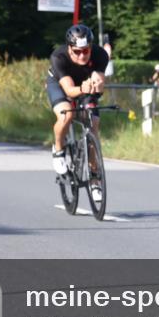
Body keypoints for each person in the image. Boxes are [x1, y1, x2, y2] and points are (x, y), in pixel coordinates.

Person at [47, 24, 109, 201]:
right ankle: (58, 150)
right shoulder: (58, 57)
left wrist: (97, 85)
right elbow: (68, 90)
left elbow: (99, 82)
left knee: (93, 123)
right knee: (67, 114)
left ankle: (95, 179)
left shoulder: (100, 55)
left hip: (85, 84)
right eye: (77, 51)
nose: (82, 55)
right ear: (69, 48)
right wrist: (82, 88)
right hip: (60, 84)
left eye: (86, 51)